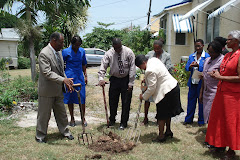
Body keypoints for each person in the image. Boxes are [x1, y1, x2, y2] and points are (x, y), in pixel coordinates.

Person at [205, 30, 240, 159]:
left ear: (236, 41)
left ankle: (231, 150)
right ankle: (219, 145)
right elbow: (223, 73)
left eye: (229, 39)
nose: (227, 41)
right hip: (221, 92)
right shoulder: (226, 55)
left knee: (230, 122)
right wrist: (216, 74)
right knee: (218, 120)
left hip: (233, 95)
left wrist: (221, 77)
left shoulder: (239, 55)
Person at [36, 32, 74, 143]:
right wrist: (63, 80)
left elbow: (61, 71)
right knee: (44, 115)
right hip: (47, 91)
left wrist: (66, 81)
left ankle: (65, 131)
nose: (62, 45)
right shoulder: (44, 53)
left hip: (58, 90)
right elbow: (47, 72)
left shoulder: (59, 53)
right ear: (53, 40)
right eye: (61, 42)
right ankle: (40, 135)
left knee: (61, 113)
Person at [136, 54, 183, 142]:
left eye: (140, 67)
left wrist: (143, 96)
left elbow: (152, 88)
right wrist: (147, 80)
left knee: (161, 115)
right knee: (168, 112)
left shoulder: (149, 70)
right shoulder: (154, 60)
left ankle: (161, 136)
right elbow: (158, 75)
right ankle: (168, 131)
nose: (141, 69)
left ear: (143, 62)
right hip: (173, 87)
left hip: (166, 91)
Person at [98, 38, 136, 130]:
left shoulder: (128, 52)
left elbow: (132, 68)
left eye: (119, 48)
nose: (118, 50)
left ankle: (123, 122)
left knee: (126, 102)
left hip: (126, 80)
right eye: (116, 48)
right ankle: (112, 120)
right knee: (112, 101)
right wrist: (101, 78)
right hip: (114, 80)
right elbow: (103, 65)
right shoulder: (109, 53)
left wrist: (131, 82)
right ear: (113, 47)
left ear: (121, 45)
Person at [142, 40, 173, 125]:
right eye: (154, 48)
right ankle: (145, 118)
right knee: (147, 99)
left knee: (159, 100)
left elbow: (168, 68)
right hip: (150, 79)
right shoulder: (149, 54)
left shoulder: (167, 56)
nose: (156, 51)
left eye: (158, 49)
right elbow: (144, 65)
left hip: (160, 82)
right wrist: (145, 77)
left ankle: (159, 119)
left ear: (161, 47)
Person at [62, 35, 87, 127]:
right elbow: (61, 64)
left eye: (79, 45)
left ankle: (83, 117)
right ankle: (72, 118)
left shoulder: (82, 51)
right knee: (70, 98)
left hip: (79, 76)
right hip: (70, 77)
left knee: (82, 98)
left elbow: (84, 64)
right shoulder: (65, 52)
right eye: (76, 45)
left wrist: (85, 75)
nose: (77, 47)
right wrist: (63, 77)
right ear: (72, 44)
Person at [184, 39, 210, 126]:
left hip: (201, 82)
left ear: (203, 46)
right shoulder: (192, 56)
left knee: (201, 101)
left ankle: (201, 121)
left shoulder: (207, 56)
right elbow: (186, 68)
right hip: (193, 82)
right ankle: (188, 119)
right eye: (196, 46)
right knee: (191, 101)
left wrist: (199, 66)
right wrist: (190, 66)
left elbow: (207, 69)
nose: (197, 48)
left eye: (199, 46)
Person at [199, 41, 224, 124]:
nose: (210, 54)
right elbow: (204, 77)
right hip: (206, 91)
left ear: (218, 52)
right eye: (209, 51)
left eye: (212, 52)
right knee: (206, 112)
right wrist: (201, 92)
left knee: (212, 113)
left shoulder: (222, 60)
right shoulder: (207, 60)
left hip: (216, 91)